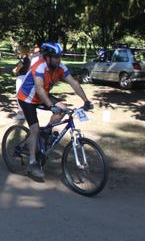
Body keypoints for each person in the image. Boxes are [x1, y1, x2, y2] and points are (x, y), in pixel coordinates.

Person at [17, 42, 93, 179]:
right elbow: (39, 88)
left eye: (60, 57)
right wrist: (50, 105)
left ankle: (45, 132)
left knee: (63, 109)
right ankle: (32, 162)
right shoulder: (39, 66)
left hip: (42, 96)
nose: (59, 60)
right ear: (47, 57)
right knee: (34, 128)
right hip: (27, 98)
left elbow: (74, 83)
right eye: (55, 57)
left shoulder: (60, 67)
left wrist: (86, 101)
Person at [12, 45, 31, 120]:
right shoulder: (28, 59)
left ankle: (21, 113)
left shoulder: (24, 60)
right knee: (24, 95)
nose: (19, 51)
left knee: (19, 95)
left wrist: (14, 70)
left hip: (21, 78)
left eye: (20, 49)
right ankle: (26, 112)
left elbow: (17, 69)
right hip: (25, 77)